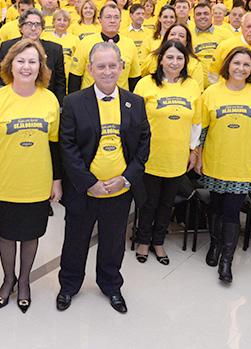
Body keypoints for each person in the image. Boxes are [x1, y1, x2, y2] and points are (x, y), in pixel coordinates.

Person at [57, 42, 150, 314]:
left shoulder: (135, 103)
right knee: (75, 240)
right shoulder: (73, 102)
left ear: (122, 67)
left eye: (113, 65)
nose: (108, 71)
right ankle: (69, 286)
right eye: (101, 66)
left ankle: (111, 285)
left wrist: (126, 179)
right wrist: (89, 184)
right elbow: (68, 147)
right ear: (90, 69)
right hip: (84, 190)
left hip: (119, 190)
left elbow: (144, 145)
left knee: (113, 242)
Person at [0, 39, 61, 313]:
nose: (26, 66)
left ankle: (24, 280)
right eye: (21, 61)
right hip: (4, 183)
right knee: (5, 234)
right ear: (10, 65)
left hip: (37, 183)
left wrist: (56, 181)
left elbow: (54, 145)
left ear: (41, 67)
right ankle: (7, 279)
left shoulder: (49, 99)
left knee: (30, 234)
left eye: (32, 61)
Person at [195, 47, 251, 283]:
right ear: (228, 65)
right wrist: (197, 155)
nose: (240, 68)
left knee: (231, 211)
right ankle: (215, 245)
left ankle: (226, 259)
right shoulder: (211, 92)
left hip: (243, 165)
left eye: (246, 65)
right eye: (236, 63)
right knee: (216, 207)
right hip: (215, 161)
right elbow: (202, 130)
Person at [133, 40, 202, 265]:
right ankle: (143, 240)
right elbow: (135, 122)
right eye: (169, 57)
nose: (174, 62)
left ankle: (158, 241)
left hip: (177, 155)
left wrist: (193, 150)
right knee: (148, 202)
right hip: (150, 155)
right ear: (161, 59)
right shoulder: (145, 84)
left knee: (166, 203)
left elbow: (196, 123)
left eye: (179, 58)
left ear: (185, 62)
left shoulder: (192, 86)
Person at [0, 8, 66, 103]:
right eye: (29, 24)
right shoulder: (7, 46)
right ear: (21, 27)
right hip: (12, 100)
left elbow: (60, 82)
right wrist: (3, 91)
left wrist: (60, 106)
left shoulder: (55, 50)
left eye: (37, 24)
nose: (33, 28)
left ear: (42, 28)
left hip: (43, 102)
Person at [70, 2, 142, 93]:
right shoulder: (85, 42)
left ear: (120, 20)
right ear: (100, 20)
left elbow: (134, 78)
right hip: (90, 100)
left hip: (120, 100)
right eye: (108, 17)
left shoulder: (130, 44)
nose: (112, 20)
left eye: (116, 17)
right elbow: (75, 76)